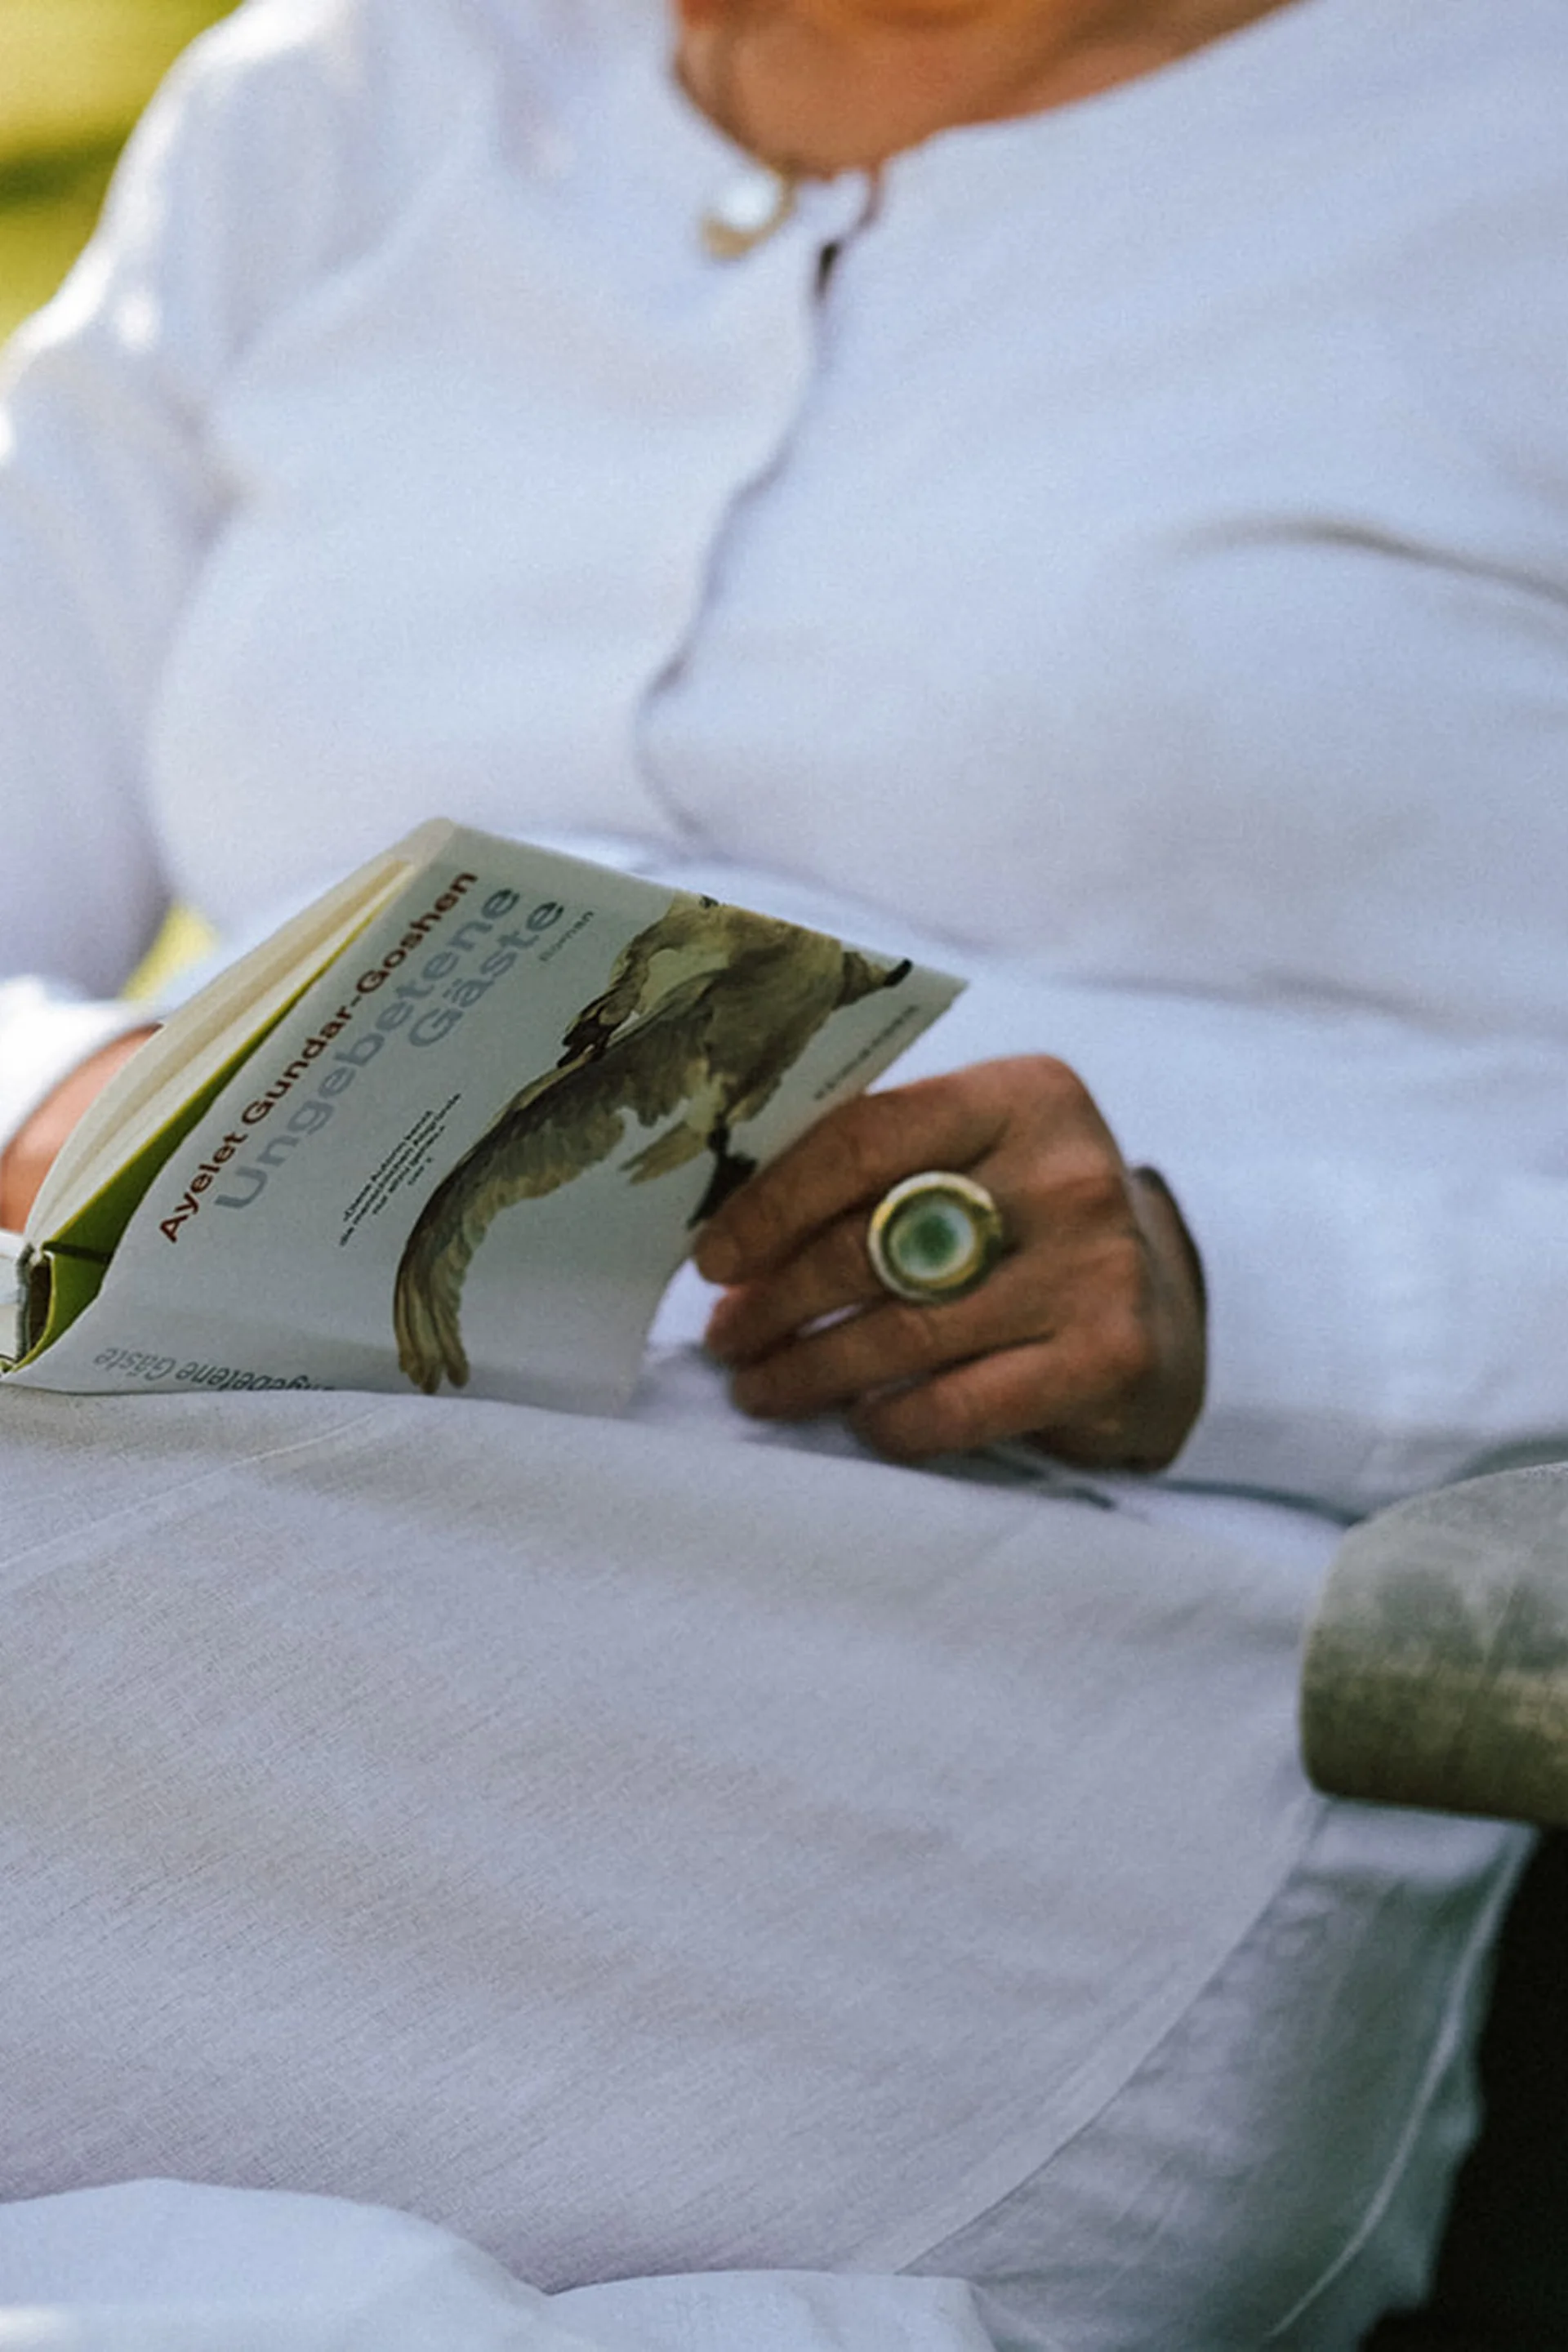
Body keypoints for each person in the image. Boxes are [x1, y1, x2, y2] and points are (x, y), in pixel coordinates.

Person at [0, 0, 1563, 2341]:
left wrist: (1260, 1296)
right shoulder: (337, 114)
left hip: (1060, 1630)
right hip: (213, 1491)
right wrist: (78, 1100)